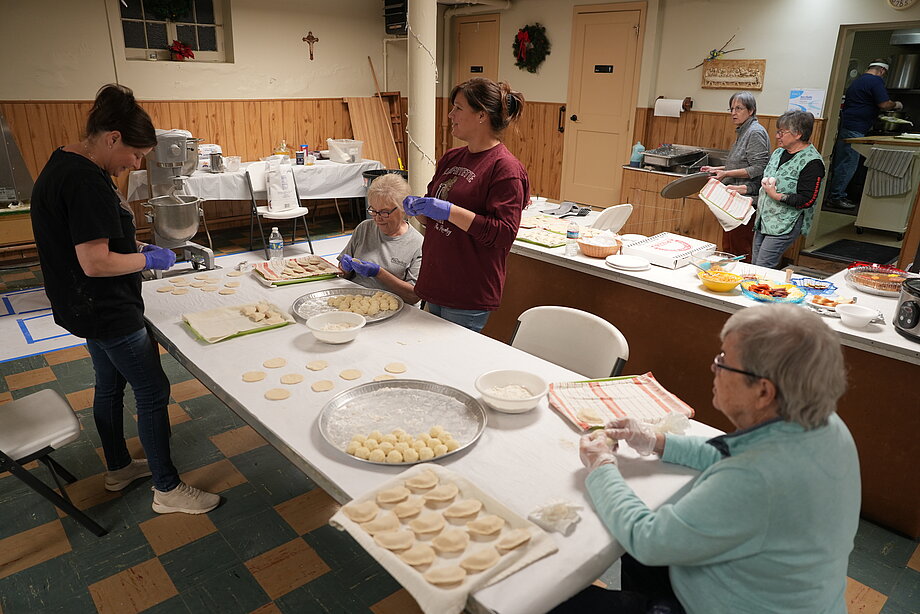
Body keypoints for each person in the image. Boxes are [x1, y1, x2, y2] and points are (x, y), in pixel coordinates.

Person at [557, 303, 860, 614]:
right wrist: (655, 441)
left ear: (763, 392)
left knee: (547, 603)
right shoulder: (824, 424)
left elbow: (647, 538)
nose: (714, 368)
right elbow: (726, 450)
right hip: (781, 592)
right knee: (635, 543)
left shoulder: (755, 479)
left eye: (724, 361)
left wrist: (601, 466)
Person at [30, 84, 220, 515]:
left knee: (110, 384)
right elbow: (95, 262)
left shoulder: (65, 161)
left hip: (81, 307)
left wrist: (129, 244)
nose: (135, 164)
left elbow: (85, 237)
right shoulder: (86, 183)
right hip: (105, 308)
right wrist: (142, 258)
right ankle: (167, 490)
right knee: (153, 391)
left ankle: (118, 467)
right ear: (112, 137)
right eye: (135, 155)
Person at [402, 77, 530, 333]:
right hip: (436, 282)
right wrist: (418, 211)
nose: (450, 115)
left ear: (481, 115)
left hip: (468, 291)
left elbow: (503, 234)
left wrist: (450, 211)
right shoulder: (452, 157)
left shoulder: (505, 168)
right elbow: (433, 220)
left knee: (449, 367)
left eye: (458, 108)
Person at [699, 91, 769, 259]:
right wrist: (719, 169)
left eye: (738, 108)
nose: (733, 113)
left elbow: (759, 167)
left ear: (751, 110)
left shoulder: (755, 132)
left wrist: (726, 173)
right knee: (729, 246)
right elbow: (741, 162)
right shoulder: (744, 130)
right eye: (731, 109)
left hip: (746, 198)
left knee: (739, 249)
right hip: (734, 195)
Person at [751, 110, 825, 269]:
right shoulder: (778, 153)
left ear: (798, 134)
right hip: (763, 221)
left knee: (762, 268)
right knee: (755, 266)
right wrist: (742, 189)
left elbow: (808, 200)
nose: (777, 136)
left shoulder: (812, 162)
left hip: (785, 224)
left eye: (781, 132)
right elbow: (765, 183)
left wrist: (776, 196)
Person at [827, 60, 903, 210]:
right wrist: (896, 104)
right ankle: (836, 197)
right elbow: (884, 104)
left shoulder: (858, 81)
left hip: (848, 124)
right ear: (882, 70)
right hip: (856, 128)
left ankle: (836, 194)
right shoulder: (875, 81)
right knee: (848, 164)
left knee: (843, 161)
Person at [337, 172, 422, 304]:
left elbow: (413, 296)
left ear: (402, 209)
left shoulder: (418, 244)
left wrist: (379, 273)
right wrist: (344, 269)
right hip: (355, 300)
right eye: (373, 211)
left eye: (384, 212)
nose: (377, 217)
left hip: (393, 306)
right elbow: (343, 275)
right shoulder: (364, 228)